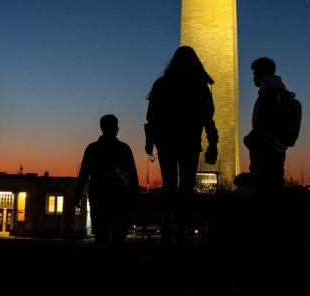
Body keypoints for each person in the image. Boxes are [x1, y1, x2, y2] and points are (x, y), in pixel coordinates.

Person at [144, 45, 218, 245]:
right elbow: (208, 118)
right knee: (186, 187)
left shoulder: (162, 84)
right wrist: (212, 143)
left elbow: (152, 117)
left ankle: (167, 226)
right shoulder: (199, 85)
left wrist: (149, 141)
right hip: (189, 143)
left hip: (166, 142)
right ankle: (180, 229)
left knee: (169, 185)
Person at [73, 114, 139, 245]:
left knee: (102, 235)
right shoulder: (123, 148)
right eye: (115, 125)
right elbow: (132, 174)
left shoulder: (93, 148)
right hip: (118, 197)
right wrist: (134, 194)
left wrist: (78, 193)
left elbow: (84, 174)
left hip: (100, 196)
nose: (116, 128)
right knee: (116, 236)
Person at [243, 57, 287, 196]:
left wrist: (249, 140)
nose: (253, 77)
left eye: (255, 73)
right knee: (274, 189)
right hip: (278, 148)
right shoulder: (280, 91)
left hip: (266, 151)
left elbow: (265, 122)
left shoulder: (269, 92)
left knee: (265, 192)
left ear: (263, 73)